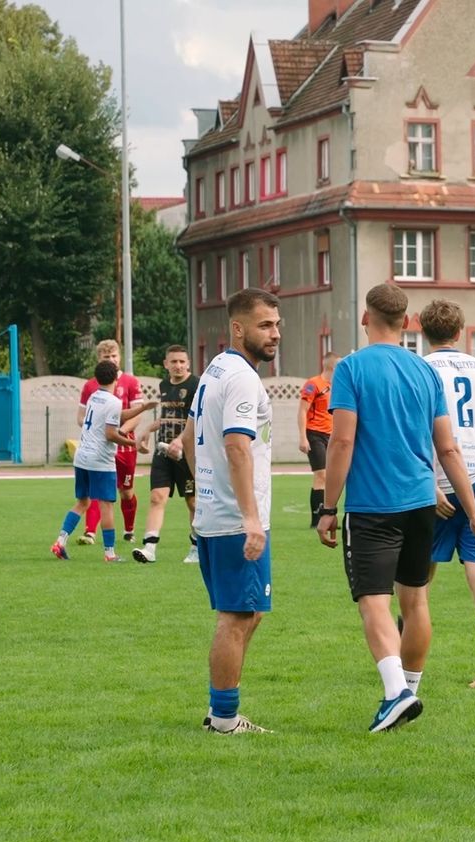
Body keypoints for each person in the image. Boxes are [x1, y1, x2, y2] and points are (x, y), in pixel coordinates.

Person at [316, 283, 475, 733]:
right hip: (422, 505)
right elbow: (448, 449)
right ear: (407, 323)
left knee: (374, 602)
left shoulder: (352, 369)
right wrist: (473, 514)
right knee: (414, 601)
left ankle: (397, 693)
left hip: (373, 505)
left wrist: (327, 506)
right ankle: (410, 689)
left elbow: (341, 441)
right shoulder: (424, 372)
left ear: (365, 318)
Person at [184, 288, 280, 735]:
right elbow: (237, 448)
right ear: (238, 328)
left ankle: (220, 708)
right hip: (234, 521)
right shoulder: (241, 377)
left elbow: (186, 440)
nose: (275, 334)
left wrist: (205, 491)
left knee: (248, 612)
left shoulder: (213, 370)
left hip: (215, 515)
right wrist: (248, 517)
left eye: (277, 324)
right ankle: (223, 718)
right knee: (238, 617)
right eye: (265, 325)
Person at [417, 299, 475, 687]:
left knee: (418, 580)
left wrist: (425, 482)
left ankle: (408, 668)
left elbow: (415, 431)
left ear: (422, 332)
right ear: (460, 332)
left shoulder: (419, 368)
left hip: (438, 479)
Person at [52, 360, 137, 562]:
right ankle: (110, 554)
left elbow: (118, 415)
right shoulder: (114, 401)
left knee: (82, 502)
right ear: (116, 377)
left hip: (82, 457)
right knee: (106, 505)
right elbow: (110, 434)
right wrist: (132, 444)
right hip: (100, 460)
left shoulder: (94, 397)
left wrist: (143, 409)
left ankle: (60, 542)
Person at [76, 339, 150, 544]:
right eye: (106, 357)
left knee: (126, 492)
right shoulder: (90, 385)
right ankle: (90, 532)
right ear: (99, 359)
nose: (111, 360)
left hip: (123, 445)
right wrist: (96, 430)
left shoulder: (131, 382)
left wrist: (121, 431)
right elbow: (81, 417)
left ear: (120, 356)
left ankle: (129, 529)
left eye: (114, 356)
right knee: (97, 490)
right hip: (100, 446)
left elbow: (136, 415)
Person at [133, 345, 200, 564]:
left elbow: (196, 420)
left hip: (187, 453)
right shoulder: (164, 385)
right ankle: (149, 547)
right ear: (166, 364)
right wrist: (146, 430)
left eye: (182, 361)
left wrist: (180, 441)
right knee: (156, 497)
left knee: (192, 502)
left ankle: (197, 548)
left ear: (188, 363)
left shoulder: (196, 385)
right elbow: (167, 417)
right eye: (174, 362)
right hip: (163, 451)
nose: (178, 366)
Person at [299, 352, 338, 528]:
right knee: (321, 475)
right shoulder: (313, 384)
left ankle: (328, 515)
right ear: (332, 366)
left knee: (331, 477)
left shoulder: (336, 386)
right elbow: (302, 411)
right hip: (315, 434)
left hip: (331, 435)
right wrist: (302, 437)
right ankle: (316, 519)